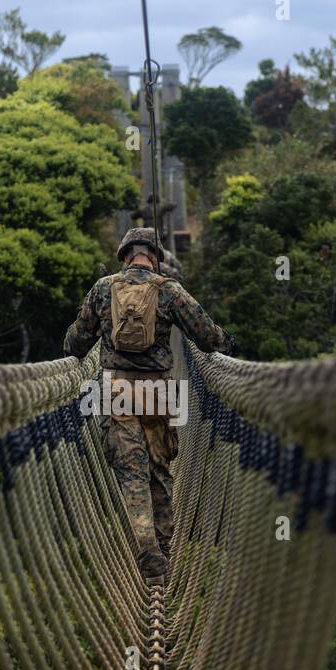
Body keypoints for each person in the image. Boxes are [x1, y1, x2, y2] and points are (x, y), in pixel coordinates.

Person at [63, 227, 233, 585]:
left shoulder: (103, 287)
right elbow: (206, 336)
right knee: (159, 471)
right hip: (158, 390)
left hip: (116, 389)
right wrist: (226, 342)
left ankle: (148, 555)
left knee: (132, 475)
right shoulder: (168, 289)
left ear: (125, 257)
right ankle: (165, 553)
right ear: (154, 257)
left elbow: (77, 342)